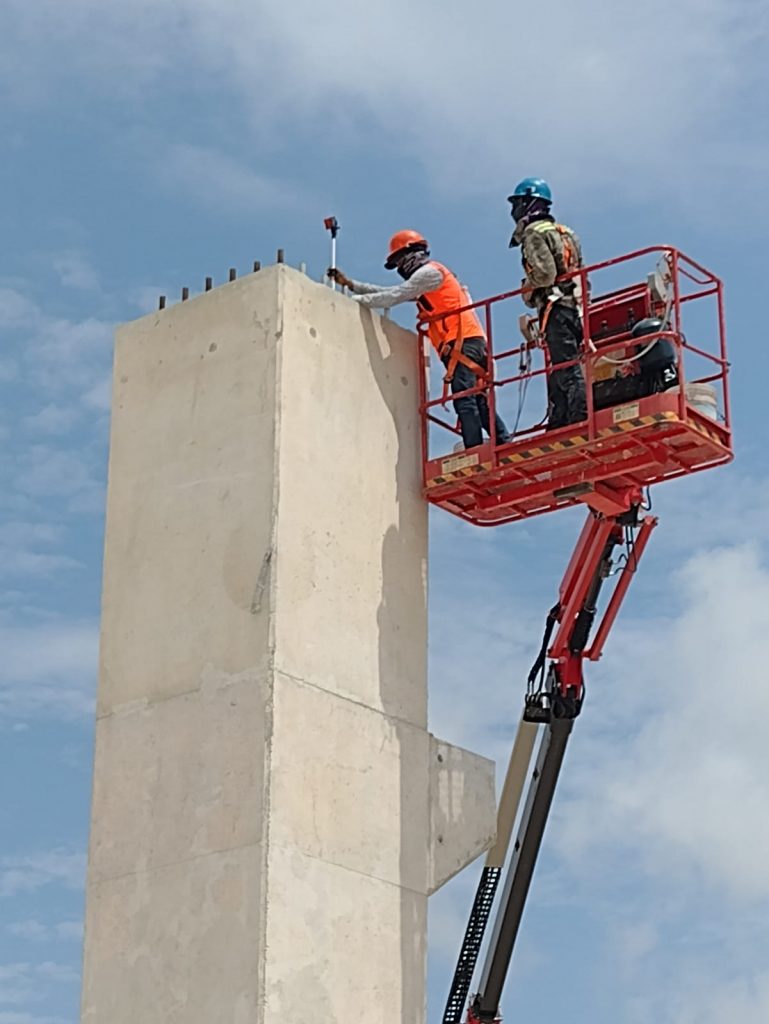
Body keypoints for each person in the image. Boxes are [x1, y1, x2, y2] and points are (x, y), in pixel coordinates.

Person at [329, 231, 511, 449]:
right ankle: (503, 443)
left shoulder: (429, 274)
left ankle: (474, 449)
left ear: (410, 254)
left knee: (464, 399)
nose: (399, 268)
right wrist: (351, 285)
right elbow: (391, 292)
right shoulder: (428, 278)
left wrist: (353, 301)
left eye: (399, 262)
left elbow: (395, 296)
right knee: (477, 399)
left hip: (462, 343)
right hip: (468, 344)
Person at [509, 178, 587, 429]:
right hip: (574, 307)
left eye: (517, 204)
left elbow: (544, 275)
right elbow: (581, 276)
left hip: (556, 308)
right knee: (562, 366)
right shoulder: (566, 233)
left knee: (566, 367)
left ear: (528, 203)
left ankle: (579, 417)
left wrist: (527, 288)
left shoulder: (533, 233)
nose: (514, 211)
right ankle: (560, 418)